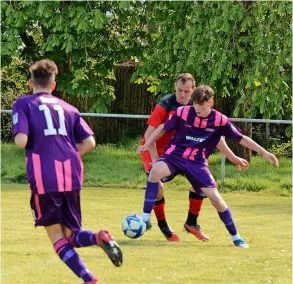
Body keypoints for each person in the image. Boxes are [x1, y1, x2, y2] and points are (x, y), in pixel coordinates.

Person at [12, 59, 123, 283]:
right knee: (70, 236)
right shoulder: (69, 108)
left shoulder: (24, 104)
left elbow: (22, 141)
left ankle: (89, 278)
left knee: (56, 236)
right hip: (71, 172)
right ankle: (98, 238)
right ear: (54, 85)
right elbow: (89, 142)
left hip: (45, 175)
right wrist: (67, 154)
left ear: (30, 83)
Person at [138, 85, 279, 248]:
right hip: (175, 156)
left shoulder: (220, 120)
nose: (197, 107)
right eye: (195, 103)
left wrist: (263, 152)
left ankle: (236, 237)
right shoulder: (183, 113)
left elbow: (241, 138)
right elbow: (163, 127)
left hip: (197, 162)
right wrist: (147, 143)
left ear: (210, 102)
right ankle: (145, 217)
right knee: (155, 172)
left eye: (201, 104)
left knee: (216, 199)